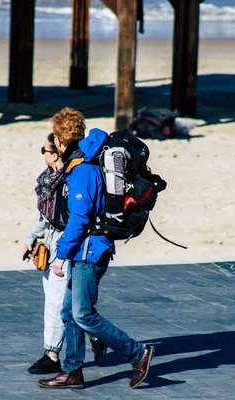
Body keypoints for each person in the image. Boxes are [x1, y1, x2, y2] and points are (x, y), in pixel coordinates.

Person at [38, 108, 155, 390]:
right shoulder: (81, 163)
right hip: (85, 249)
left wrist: (61, 254)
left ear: (61, 142)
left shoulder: (82, 170)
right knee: (69, 312)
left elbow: (79, 219)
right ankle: (73, 371)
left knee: (82, 313)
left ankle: (138, 353)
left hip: (90, 250)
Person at [24, 133, 106, 375]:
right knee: (64, 303)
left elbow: (73, 219)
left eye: (45, 150)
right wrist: (31, 237)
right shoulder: (50, 180)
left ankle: (52, 354)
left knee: (58, 303)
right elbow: (45, 217)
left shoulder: (68, 181)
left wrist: (62, 253)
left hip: (66, 245)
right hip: (54, 243)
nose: (43, 154)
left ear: (57, 152)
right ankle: (95, 335)